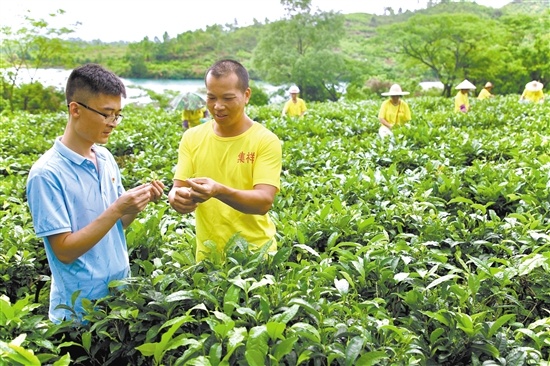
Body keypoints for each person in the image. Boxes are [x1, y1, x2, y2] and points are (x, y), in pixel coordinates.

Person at [26, 63, 165, 324]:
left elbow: (117, 225)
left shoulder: (105, 157)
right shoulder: (46, 174)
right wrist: (117, 208)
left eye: (117, 115)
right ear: (75, 109)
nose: (113, 123)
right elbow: (64, 251)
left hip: (118, 302)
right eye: (106, 114)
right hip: (79, 316)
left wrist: (134, 206)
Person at [168, 59, 282, 262]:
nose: (218, 106)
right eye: (211, 98)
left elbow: (264, 201)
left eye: (228, 98)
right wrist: (177, 198)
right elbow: (178, 188)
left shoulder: (265, 141)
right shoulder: (192, 137)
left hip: (255, 257)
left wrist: (219, 191)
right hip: (207, 257)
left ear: (246, 95)